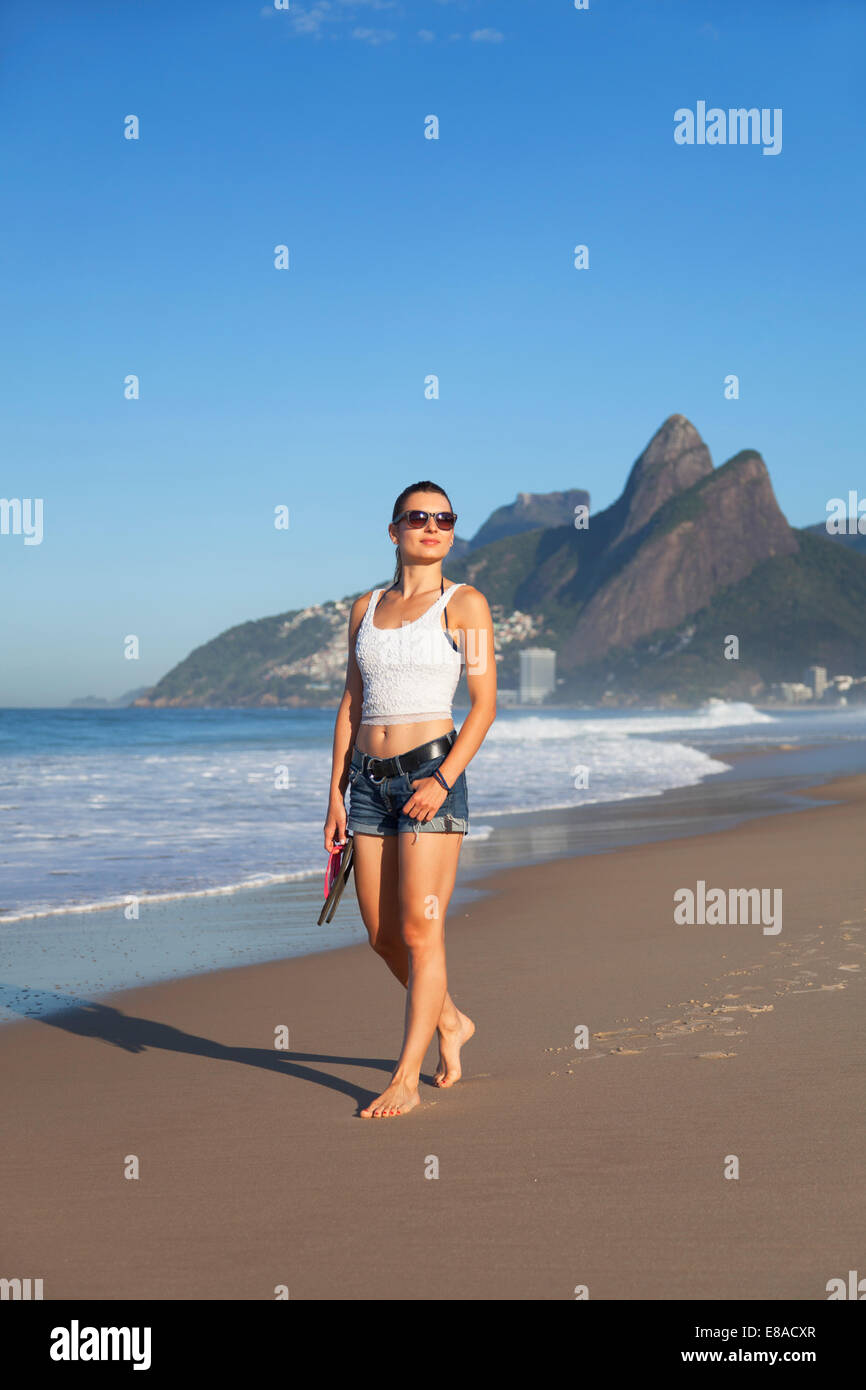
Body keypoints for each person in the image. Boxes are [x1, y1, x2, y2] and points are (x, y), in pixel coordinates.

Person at [324, 482, 496, 1117]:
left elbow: (484, 707)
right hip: (367, 781)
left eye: (444, 518)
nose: (433, 526)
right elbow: (352, 702)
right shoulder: (364, 607)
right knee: (380, 934)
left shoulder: (466, 604)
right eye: (419, 517)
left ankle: (403, 1077)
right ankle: (450, 1020)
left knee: (422, 931)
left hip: (429, 777)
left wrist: (444, 779)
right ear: (393, 529)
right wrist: (337, 793)